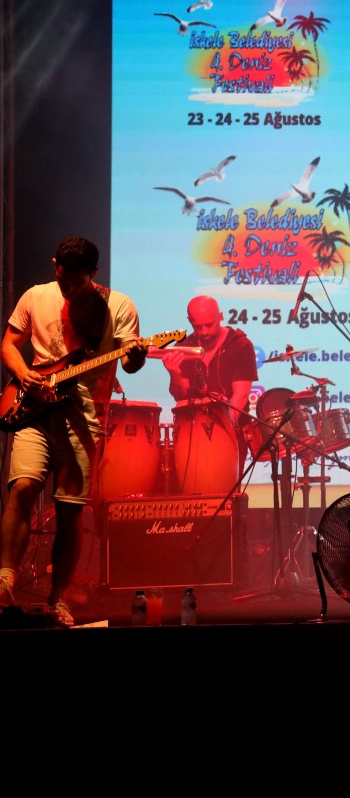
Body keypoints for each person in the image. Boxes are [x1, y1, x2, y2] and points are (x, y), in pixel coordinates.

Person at [1, 237, 146, 626]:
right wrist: (23, 374)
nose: (67, 289)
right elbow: (9, 345)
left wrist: (137, 357)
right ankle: (4, 582)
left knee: (69, 509)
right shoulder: (36, 296)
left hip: (85, 414)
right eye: (63, 280)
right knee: (23, 487)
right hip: (34, 408)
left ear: (93, 274)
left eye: (76, 283)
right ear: (55, 265)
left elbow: (129, 364)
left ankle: (57, 599)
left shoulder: (119, 306)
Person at [164, 294, 258, 465]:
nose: (205, 331)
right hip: (193, 434)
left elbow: (241, 395)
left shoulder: (240, 345)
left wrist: (222, 431)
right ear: (189, 321)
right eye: (198, 326)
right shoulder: (184, 348)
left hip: (231, 432)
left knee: (227, 482)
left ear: (220, 316)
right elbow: (181, 396)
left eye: (209, 324)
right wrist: (174, 374)